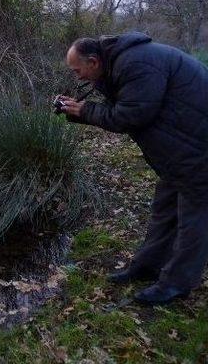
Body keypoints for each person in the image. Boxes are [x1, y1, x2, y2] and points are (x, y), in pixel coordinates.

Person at [58, 31, 208, 304]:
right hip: (180, 148)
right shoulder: (117, 63)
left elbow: (131, 115)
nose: (76, 76)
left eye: (77, 70)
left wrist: (84, 110)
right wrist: (78, 108)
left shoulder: (135, 63)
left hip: (197, 147)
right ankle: (147, 266)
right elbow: (123, 103)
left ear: (93, 61)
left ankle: (176, 284)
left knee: (194, 219)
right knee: (164, 209)